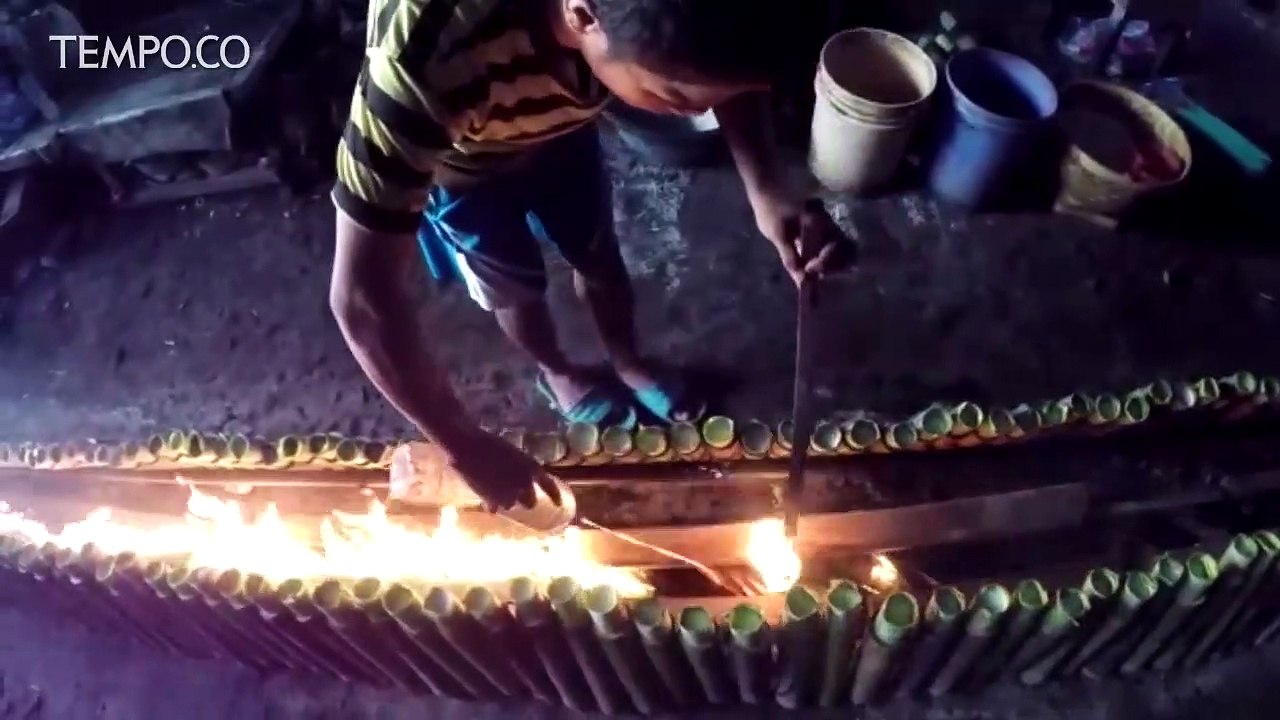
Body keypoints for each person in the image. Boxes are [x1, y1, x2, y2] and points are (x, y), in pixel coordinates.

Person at [329, 0, 847, 511]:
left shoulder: (631, 28)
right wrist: (462, 443)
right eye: (674, 95)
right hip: (462, 171)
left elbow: (719, 57)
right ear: (582, 15)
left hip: (564, 130)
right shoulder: (419, 63)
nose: (692, 111)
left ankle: (629, 363)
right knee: (513, 286)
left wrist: (766, 193)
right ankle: (557, 370)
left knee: (598, 255)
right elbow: (361, 298)